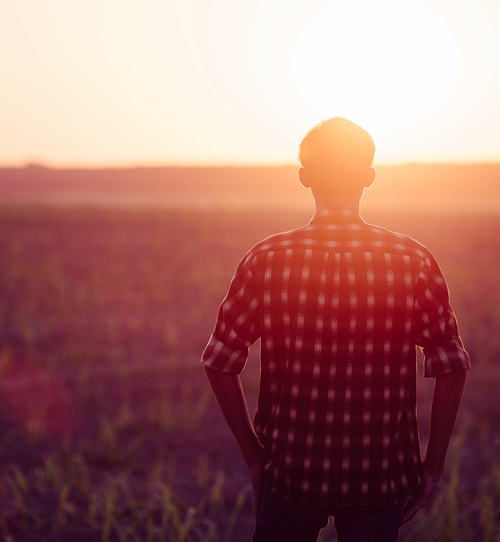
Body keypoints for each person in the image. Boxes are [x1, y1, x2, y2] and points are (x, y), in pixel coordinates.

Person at [201, 117, 470, 541]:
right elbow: (452, 364)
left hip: (290, 475)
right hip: (380, 479)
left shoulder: (266, 258)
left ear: (304, 177)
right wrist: (431, 464)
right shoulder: (413, 259)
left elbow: (219, 361)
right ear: (369, 176)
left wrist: (254, 456)